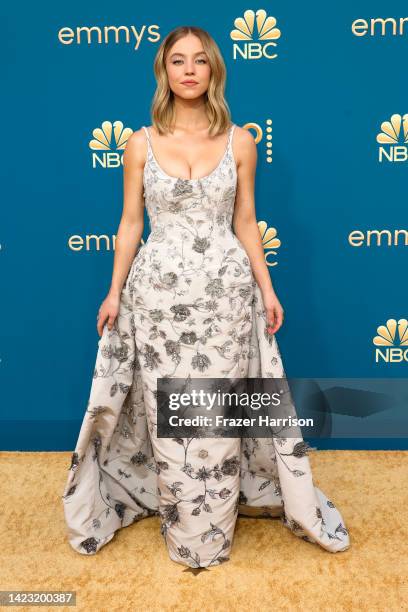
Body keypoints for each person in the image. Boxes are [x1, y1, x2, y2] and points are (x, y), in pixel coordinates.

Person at [62, 25, 350, 568]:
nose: (189, 69)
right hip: (158, 299)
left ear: (214, 70)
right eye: (177, 61)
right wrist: (114, 292)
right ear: (164, 71)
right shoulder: (139, 143)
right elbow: (129, 225)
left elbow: (246, 222)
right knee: (167, 410)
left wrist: (267, 287)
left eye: (199, 60)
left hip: (224, 296)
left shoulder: (241, 140)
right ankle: (182, 523)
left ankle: (211, 527)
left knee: (215, 412)